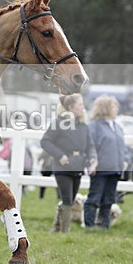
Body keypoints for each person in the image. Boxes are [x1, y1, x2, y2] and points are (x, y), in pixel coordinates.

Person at [40, 93, 97, 233]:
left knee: (70, 200)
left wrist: (92, 157)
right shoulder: (59, 122)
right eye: (80, 104)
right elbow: (45, 141)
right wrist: (60, 155)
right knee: (66, 199)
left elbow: (90, 145)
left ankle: (56, 226)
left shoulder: (83, 125)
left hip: (78, 165)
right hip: (62, 167)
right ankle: (65, 231)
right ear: (71, 107)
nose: (83, 107)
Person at [83, 95, 127, 229]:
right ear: (106, 108)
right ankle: (89, 225)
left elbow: (122, 146)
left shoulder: (117, 126)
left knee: (109, 200)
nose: (116, 109)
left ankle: (104, 225)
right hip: (100, 168)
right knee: (94, 198)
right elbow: (89, 145)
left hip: (115, 168)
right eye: (114, 107)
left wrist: (125, 160)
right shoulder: (94, 125)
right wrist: (91, 162)